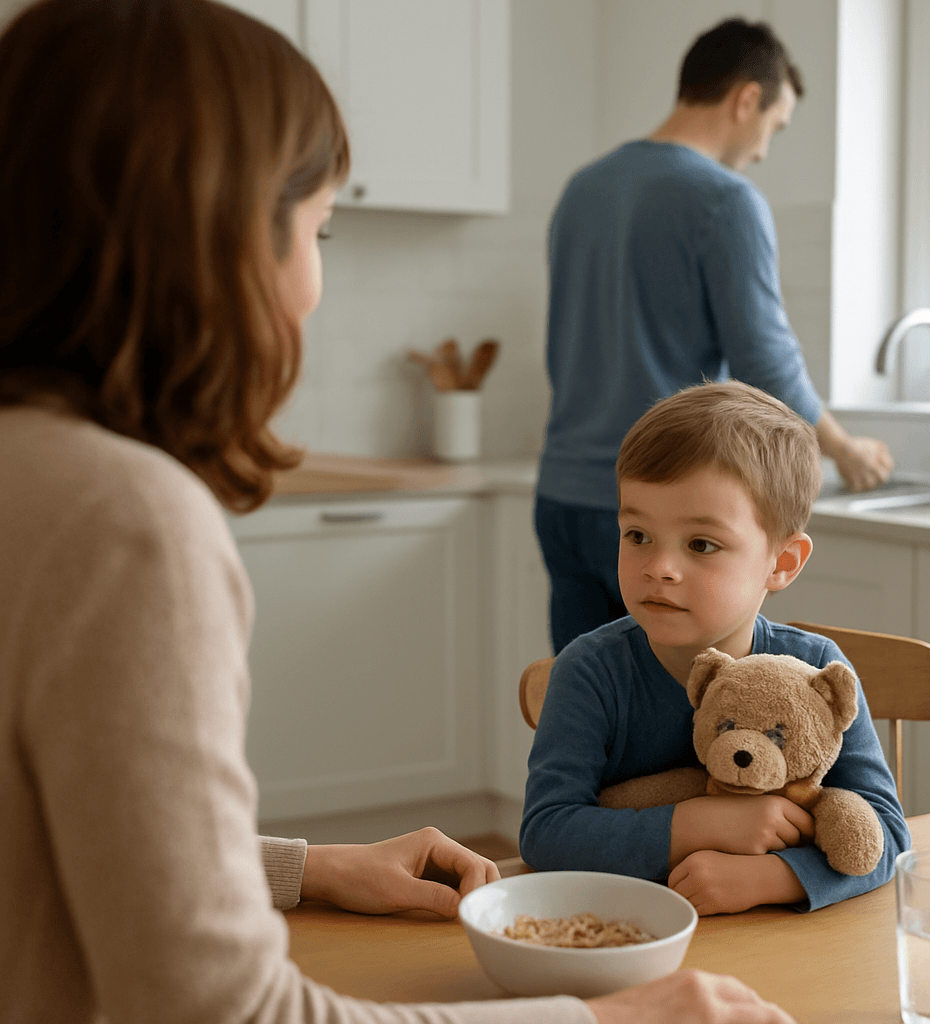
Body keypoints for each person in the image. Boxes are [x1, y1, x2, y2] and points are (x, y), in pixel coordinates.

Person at [0, 2, 796, 1022]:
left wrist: (302, 869)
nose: (313, 287)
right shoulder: (124, 522)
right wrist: (603, 1017)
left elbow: (43, 829)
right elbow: (222, 1011)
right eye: (315, 227)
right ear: (217, 235)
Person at [534, 17, 894, 654]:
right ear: (746, 98)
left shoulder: (583, 189)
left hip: (564, 498)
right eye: (774, 128)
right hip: (666, 513)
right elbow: (766, 361)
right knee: (696, 733)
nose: (762, 150)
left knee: (585, 721)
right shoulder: (725, 200)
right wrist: (841, 447)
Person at [520, 381, 910, 915]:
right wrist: (699, 821)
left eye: (701, 544)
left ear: (783, 563)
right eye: (637, 535)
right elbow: (546, 831)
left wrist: (774, 878)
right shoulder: (588, 671)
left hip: (775, 957)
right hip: (624, 935)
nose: (659, 566)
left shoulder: (819, 671)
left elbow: (884, 836)